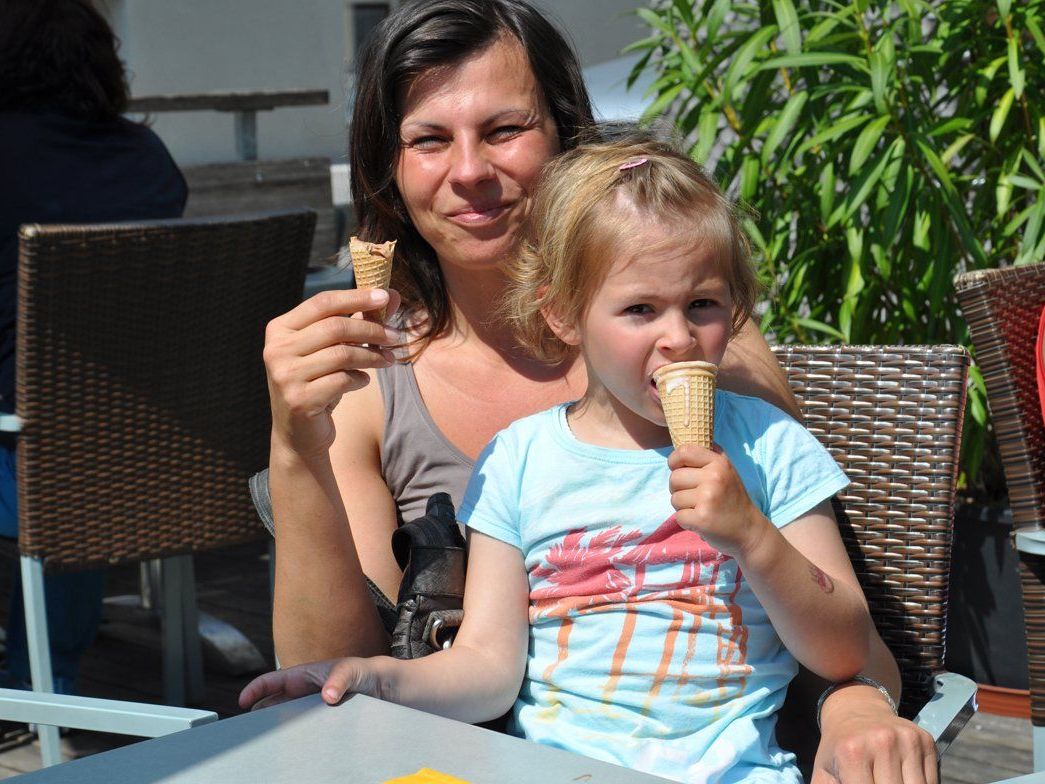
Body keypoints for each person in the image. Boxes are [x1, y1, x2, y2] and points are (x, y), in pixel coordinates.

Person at [248, 1, 937, 780]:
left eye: (505, 130)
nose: (470, 171)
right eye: (428, 139)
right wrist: (293, 446)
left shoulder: (708, 366)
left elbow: (833, 634)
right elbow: (339, 693)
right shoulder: (372, 388)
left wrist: (854, 703)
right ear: (391, 168)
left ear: (567, 137)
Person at [0, 0, 188, 694]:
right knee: (62, 426)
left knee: (35, 428)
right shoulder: (146, 156)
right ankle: (45, 672)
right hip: (157, 447)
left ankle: (37, 678)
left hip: (32, 460)